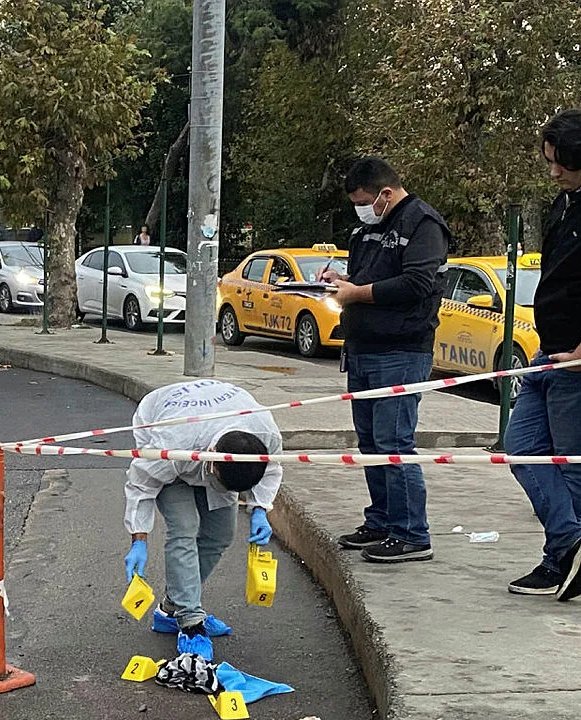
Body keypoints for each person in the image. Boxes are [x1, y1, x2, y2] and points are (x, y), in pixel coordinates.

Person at [319, 156, 450, 564]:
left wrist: (355, 294)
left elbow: (417, 283)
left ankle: (412, 533)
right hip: (363, 347)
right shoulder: (369, 228)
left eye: (364, 201)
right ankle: (381, 521)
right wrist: (341, 281)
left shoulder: (423, 225)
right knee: (372, 444)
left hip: (401, 349)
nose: (360, 209)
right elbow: (367, 275)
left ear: (386, 194)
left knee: (395, 444)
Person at [123, 380, 283, 653]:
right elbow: (142, 484)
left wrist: (259, 509)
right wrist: (139, 538)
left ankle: (170, 610)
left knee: (220, 534)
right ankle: (190, 622)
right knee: (184, 527)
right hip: (168, 431)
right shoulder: (171, 441)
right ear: (211, 459)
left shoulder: (264, 433)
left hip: (212, 443)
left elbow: (271, 469)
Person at [504, 110, 581, 599]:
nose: (552, 171)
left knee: (573, 467)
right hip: (548, 352)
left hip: (576, 361)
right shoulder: (565, 204)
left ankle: (561, 561)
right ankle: (571, 544)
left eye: (561, 163)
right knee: (522, 447)